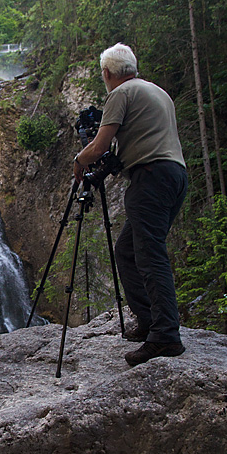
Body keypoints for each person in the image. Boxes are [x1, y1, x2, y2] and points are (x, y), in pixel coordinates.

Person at [73, 42, 188, 367]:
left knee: (150, 256)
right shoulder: (156, 92)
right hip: (174, 175)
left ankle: (165, 336)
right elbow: (133, 146)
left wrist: (79, 161)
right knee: (128, 250)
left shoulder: (121, 94)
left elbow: (100, 146)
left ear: (107, 74)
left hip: (150, 177)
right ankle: (151, 321)